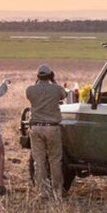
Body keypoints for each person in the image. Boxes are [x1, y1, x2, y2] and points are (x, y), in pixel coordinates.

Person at [25, 63, 66, 197]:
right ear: (50, 75)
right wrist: (53, 80)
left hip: (36, 127)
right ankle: (57, 191)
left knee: (39, 160)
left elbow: (32, 92)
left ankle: (43, 191)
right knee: (55, 159)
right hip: (52, 127)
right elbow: (64, 94)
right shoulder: (56, 89)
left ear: (37, 76)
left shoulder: (30, 90)